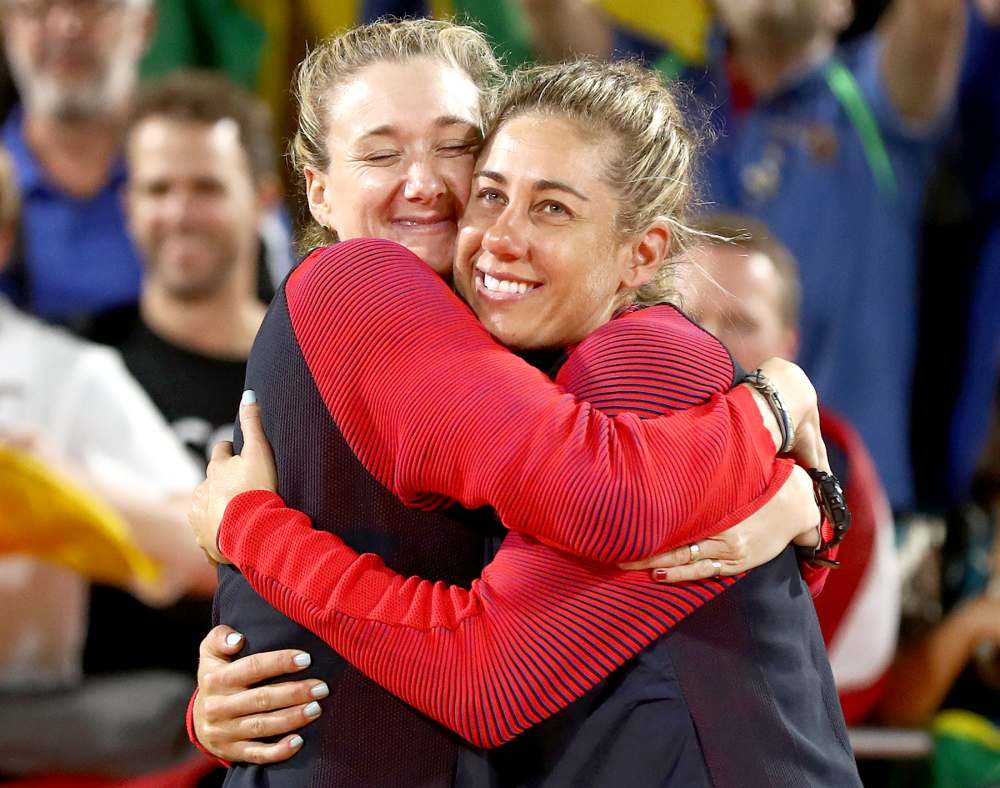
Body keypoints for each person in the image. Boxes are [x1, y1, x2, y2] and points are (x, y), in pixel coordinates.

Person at [188, 30, 857, 786]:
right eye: (380, 154)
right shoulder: (358, 280)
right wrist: (776, 417)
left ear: (641, 252)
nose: (427, 185)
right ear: (316, 189)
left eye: (456, 150)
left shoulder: (626, 358)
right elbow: (603, 507)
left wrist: (799, 476)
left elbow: (507, 657)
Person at [522, 0, 967, 514]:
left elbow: (935, 13)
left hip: (847, 520)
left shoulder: (880, 101)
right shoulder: (643, 101)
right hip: (650, 502)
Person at [0, 140, 215, 777]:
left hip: (27, 709)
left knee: (159, 714)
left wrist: (59, 485)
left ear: (4, 238)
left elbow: (205, 544)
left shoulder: (65, 373)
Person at [82, 71, 273, 680]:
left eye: (207, 188)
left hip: (292, 706)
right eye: (158, 188)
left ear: (262, 199)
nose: (179, 213)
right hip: (118, 726)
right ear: (127, 205)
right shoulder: (83, 360)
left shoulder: (315, 362)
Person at [680, 211, 900, 724]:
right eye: (686, 315)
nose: (708, 341)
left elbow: (843, 674)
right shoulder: (593, 430)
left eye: (740, 322)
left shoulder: (839, 465)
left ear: (788, 344)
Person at [0, 0, 154, 324]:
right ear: (7, 26)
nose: (66, 27)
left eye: (92, 5)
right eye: (37, 8)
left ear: (144, 25)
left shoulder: (214, 178)